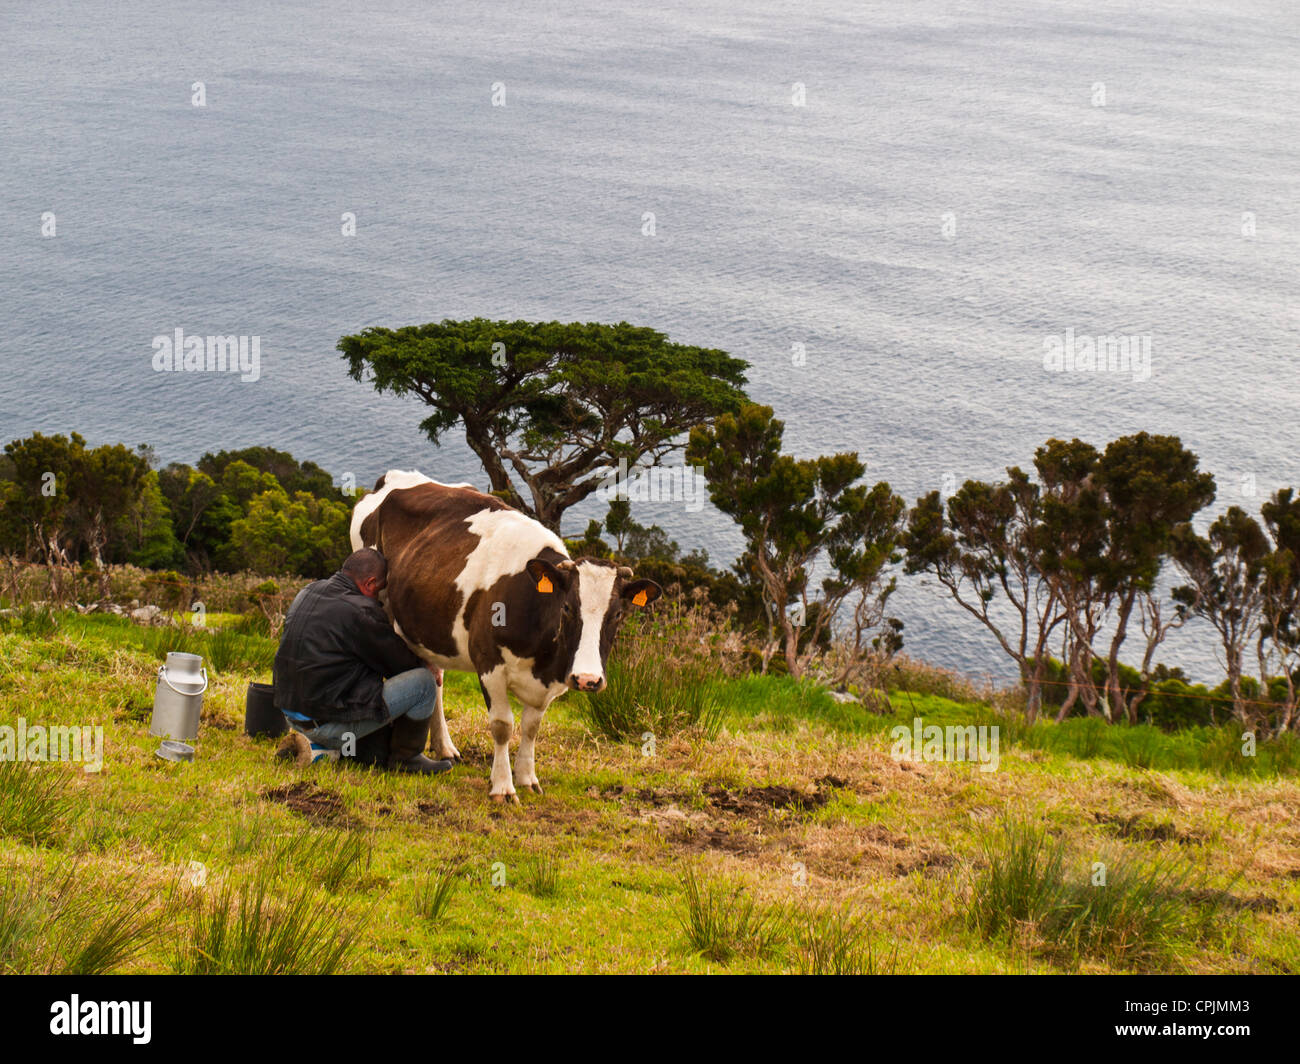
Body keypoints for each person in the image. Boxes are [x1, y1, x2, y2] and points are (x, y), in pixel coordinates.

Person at [272, 547, 452, 775]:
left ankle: (319, 751)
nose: (378, 599)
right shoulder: (362, 611)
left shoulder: (308, 590)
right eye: (379, 591)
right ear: (369, 583)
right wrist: (427, 663)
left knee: (374, 754)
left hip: (292, 713)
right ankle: (408, 758)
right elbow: (401, 665)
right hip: (325, 721)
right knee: (424, 683)